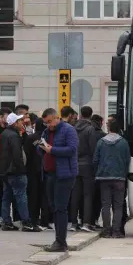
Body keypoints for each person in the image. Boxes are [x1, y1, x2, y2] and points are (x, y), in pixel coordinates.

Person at [39, 108, 79, 253]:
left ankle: (61, 242)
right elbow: (43, 150)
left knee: (60, 208)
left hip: (65, 174)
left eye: (50, 121)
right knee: (54, 207)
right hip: (50, 173)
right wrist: (41, 147)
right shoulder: (46, 132)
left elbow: (72, 149)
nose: (48, 125)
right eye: (45, 123)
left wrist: (52, 150)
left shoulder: (68, 130)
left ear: (57, 117)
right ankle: (59, 240)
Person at [0, 112, 38, 232]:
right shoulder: (14, 136)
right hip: (16, 171)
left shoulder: (5, 133)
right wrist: (21, 169)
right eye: (20, 121)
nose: (22, 123)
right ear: (15, 123)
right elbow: (17, 154)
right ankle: (26, 222)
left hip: (6, 171)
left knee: (7, 197)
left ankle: (6, 221)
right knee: (21, 197)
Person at [93, 118, 130, 238]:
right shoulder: (124, 142)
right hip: (119, 178)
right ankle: (116, 231)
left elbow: (95, 160)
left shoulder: (101, 142)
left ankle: (106, 230)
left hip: (103, 177)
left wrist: (97, 172)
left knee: (105, 205)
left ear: (108, 128)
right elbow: (127, 160)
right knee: (118, 206)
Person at [71, 106, 103, 232]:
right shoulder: (90, 129)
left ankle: (73, 223)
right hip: (87, 164)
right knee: (88, 195)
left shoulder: (73, 128)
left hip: (75, 163)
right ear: (90, 115)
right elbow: (93, 149)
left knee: (75, 194)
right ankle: (86, 222)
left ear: (80, 115)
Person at [24, 114, 51, 230]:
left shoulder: (30, 138)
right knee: (45, 196)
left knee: (33, 197)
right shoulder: (47, 138)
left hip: (32, 171)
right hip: (45, 170)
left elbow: (26, 154)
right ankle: (45, 220)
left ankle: (33, 219)